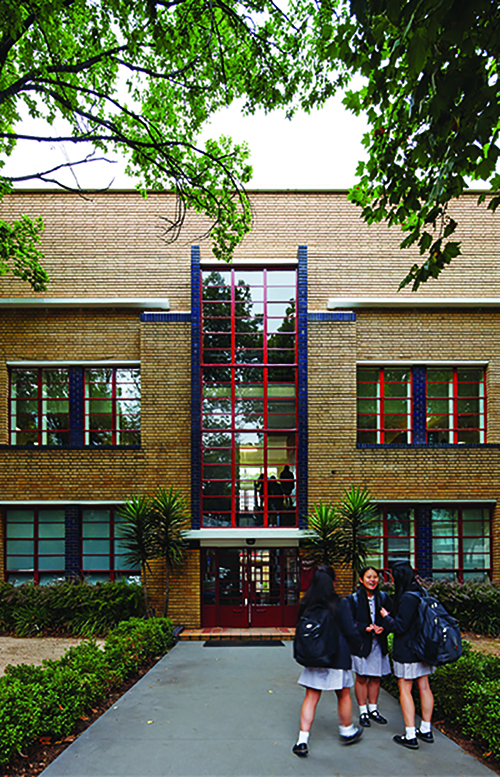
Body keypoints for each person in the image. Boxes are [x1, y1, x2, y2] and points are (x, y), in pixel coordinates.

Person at [293, 566, 364, 757]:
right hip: (337, 656)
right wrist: (359, 648)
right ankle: (346, 730)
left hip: (314, 656)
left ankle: (302, 740)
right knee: (343, 695)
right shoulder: (339, 603)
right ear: (332, 582)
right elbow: (350, 631)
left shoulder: (306, 603)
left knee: (311, 696)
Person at [380, 560, 435, 750]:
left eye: (393, 575)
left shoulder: (407, 597)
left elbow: (400, 626)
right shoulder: (421, 592)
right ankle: (426, 730)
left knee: (405, 689)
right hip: (424, 647)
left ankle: (410, 734)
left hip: (408, 649)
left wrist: (385, 616)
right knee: (424, 687)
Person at [347, 566, 393, 728]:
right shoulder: (353, 599)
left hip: (378, 642)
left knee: (376, 677)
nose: (372, 580)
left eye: (375, 577)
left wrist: (384, 628)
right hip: (361, 644)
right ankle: (363, 711)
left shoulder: (384, 597)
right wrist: (364, 627)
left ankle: (373, 709)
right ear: (361, 580)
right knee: (361, 678)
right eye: (368, 577)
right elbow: (347, 622)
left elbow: (392, 618)